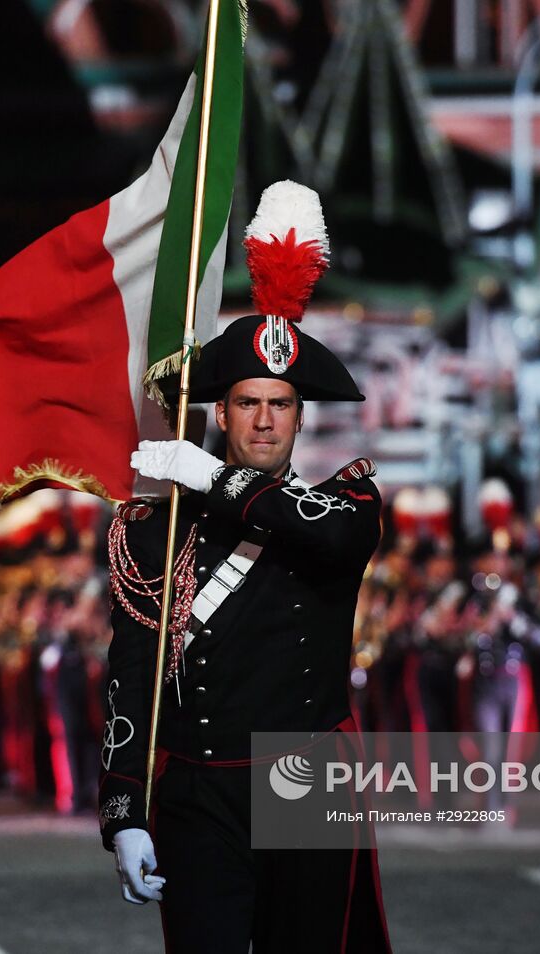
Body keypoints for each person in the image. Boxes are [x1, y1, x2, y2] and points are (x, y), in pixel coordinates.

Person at [97, 181, 392, 953]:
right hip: (198, 788)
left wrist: (208, 477)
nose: (265, 420)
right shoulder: (154, 534)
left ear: (300, 414)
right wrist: (124, 811)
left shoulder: (345, 504)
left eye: (282, 404)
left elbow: (323, 538)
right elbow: (132, 675)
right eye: (247, 402)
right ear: (219, 412)